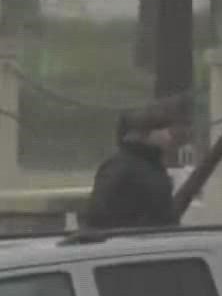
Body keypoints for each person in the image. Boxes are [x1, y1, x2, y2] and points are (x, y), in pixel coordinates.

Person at [80, 97, 188, 230]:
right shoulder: (120, 169)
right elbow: (99, 216)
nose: (169, 134)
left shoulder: (152, 167)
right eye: (161, 128)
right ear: (141, 134)